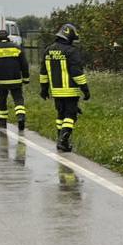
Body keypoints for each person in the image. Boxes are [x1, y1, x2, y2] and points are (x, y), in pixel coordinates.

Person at [40, 23, 89, 152]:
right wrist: (85, 89)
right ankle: (64, 140)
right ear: (69, 37)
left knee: (60, 115)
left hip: (56, 91)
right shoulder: (71, 51)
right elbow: (77, 72)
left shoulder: (48, 50)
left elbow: (43, 72)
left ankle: (59, 139)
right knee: (70, 116)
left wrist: (44, 89)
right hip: (70, 91)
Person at [0, 28, 30, 131]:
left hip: (1, 81)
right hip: (16, 80)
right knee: (18, 99)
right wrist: (26, 78)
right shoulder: (17, 47)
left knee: (2, 101)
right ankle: (20, 116)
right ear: (8, 37)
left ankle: (2, 122)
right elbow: (24, 64)